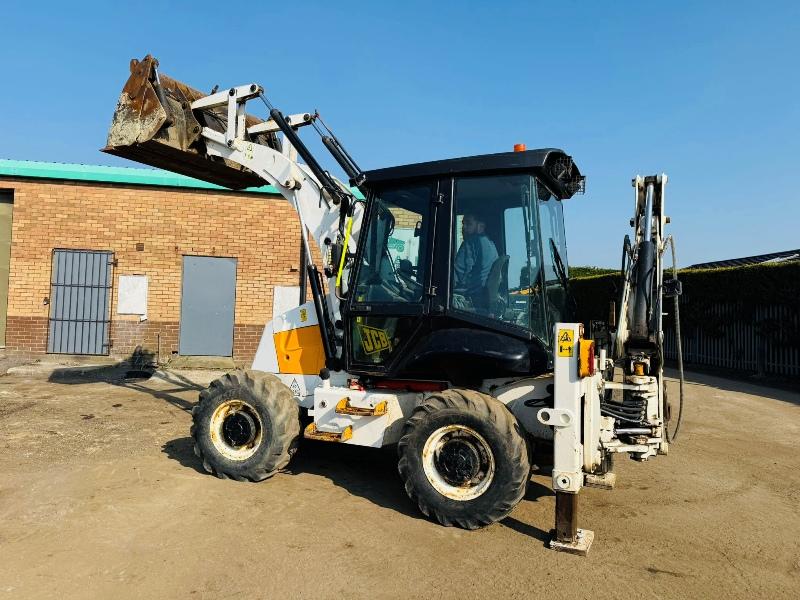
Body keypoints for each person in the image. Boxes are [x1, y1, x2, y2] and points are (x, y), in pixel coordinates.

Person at [453, 213, 499, 301]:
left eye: (469, 224)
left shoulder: (470, 243)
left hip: (468, 298)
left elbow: (455, 277)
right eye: (463, 224)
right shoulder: (491, 244)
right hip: (483, 298)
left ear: (481, 227)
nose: (464, 227)